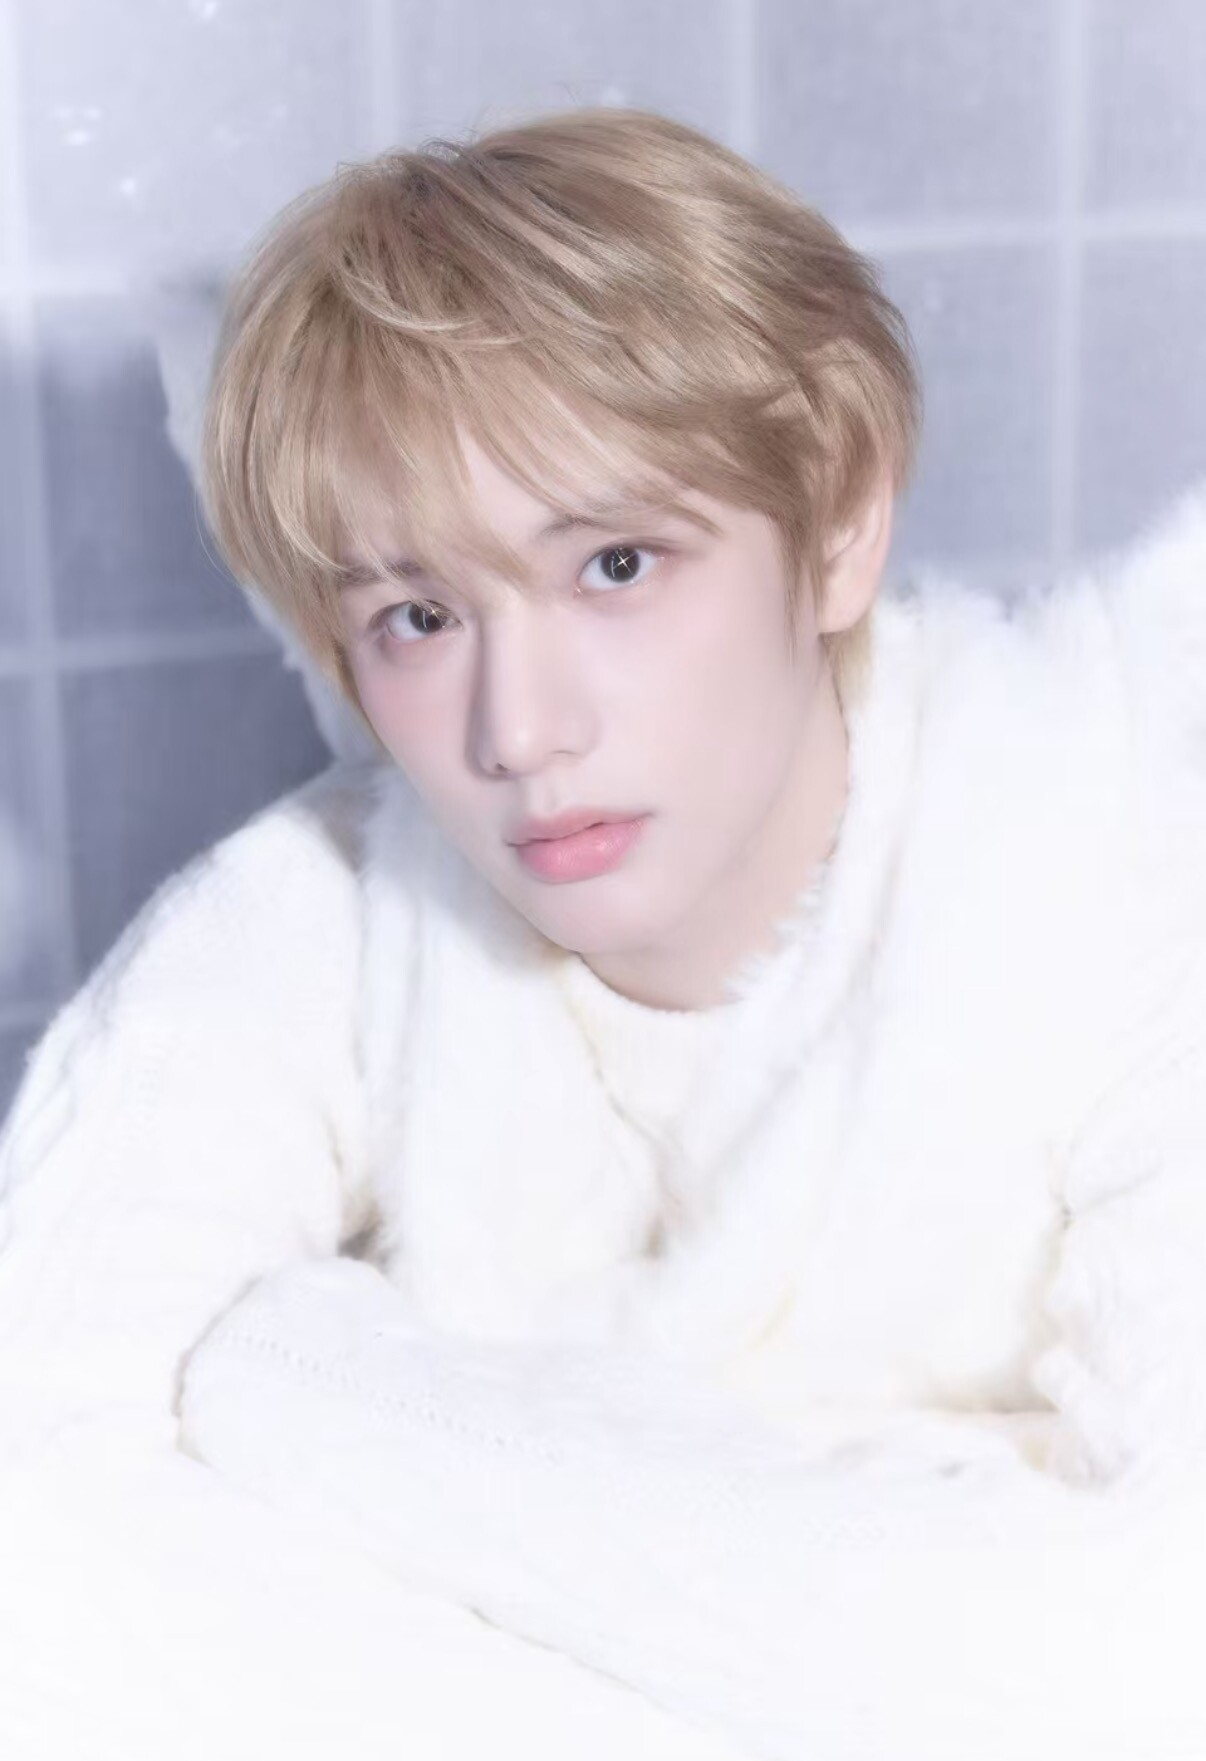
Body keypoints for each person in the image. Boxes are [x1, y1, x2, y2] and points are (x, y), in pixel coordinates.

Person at [2, 105, 1205, 1761]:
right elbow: (30, 1565)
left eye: (616, 565)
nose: (517, 731)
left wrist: (309, 1394)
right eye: (418, 616)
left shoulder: (1124, 837)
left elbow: (1158, 1657)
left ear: (837, 519)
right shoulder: (312, 917)